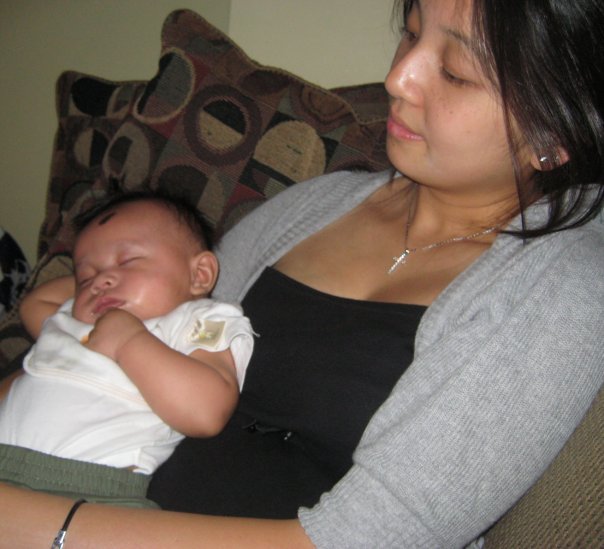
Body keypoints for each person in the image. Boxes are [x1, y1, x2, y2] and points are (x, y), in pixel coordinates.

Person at [1, 0, 602, 546]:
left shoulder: (563, 286)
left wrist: (45, 527)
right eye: (411, 34)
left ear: (552, 135)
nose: (398, 78)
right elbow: (120, 343)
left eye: (455, 71)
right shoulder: (318, 202)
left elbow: (370, 538)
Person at [0, 192, 254, 508]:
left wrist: (129, 341)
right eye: (84, 276)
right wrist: (98, 285)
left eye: (128, 261)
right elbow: (33, 304)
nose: (100, 281)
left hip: (85, 489)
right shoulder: (75, 322)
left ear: (199, 274)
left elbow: (206, 412)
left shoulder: (197, 320)